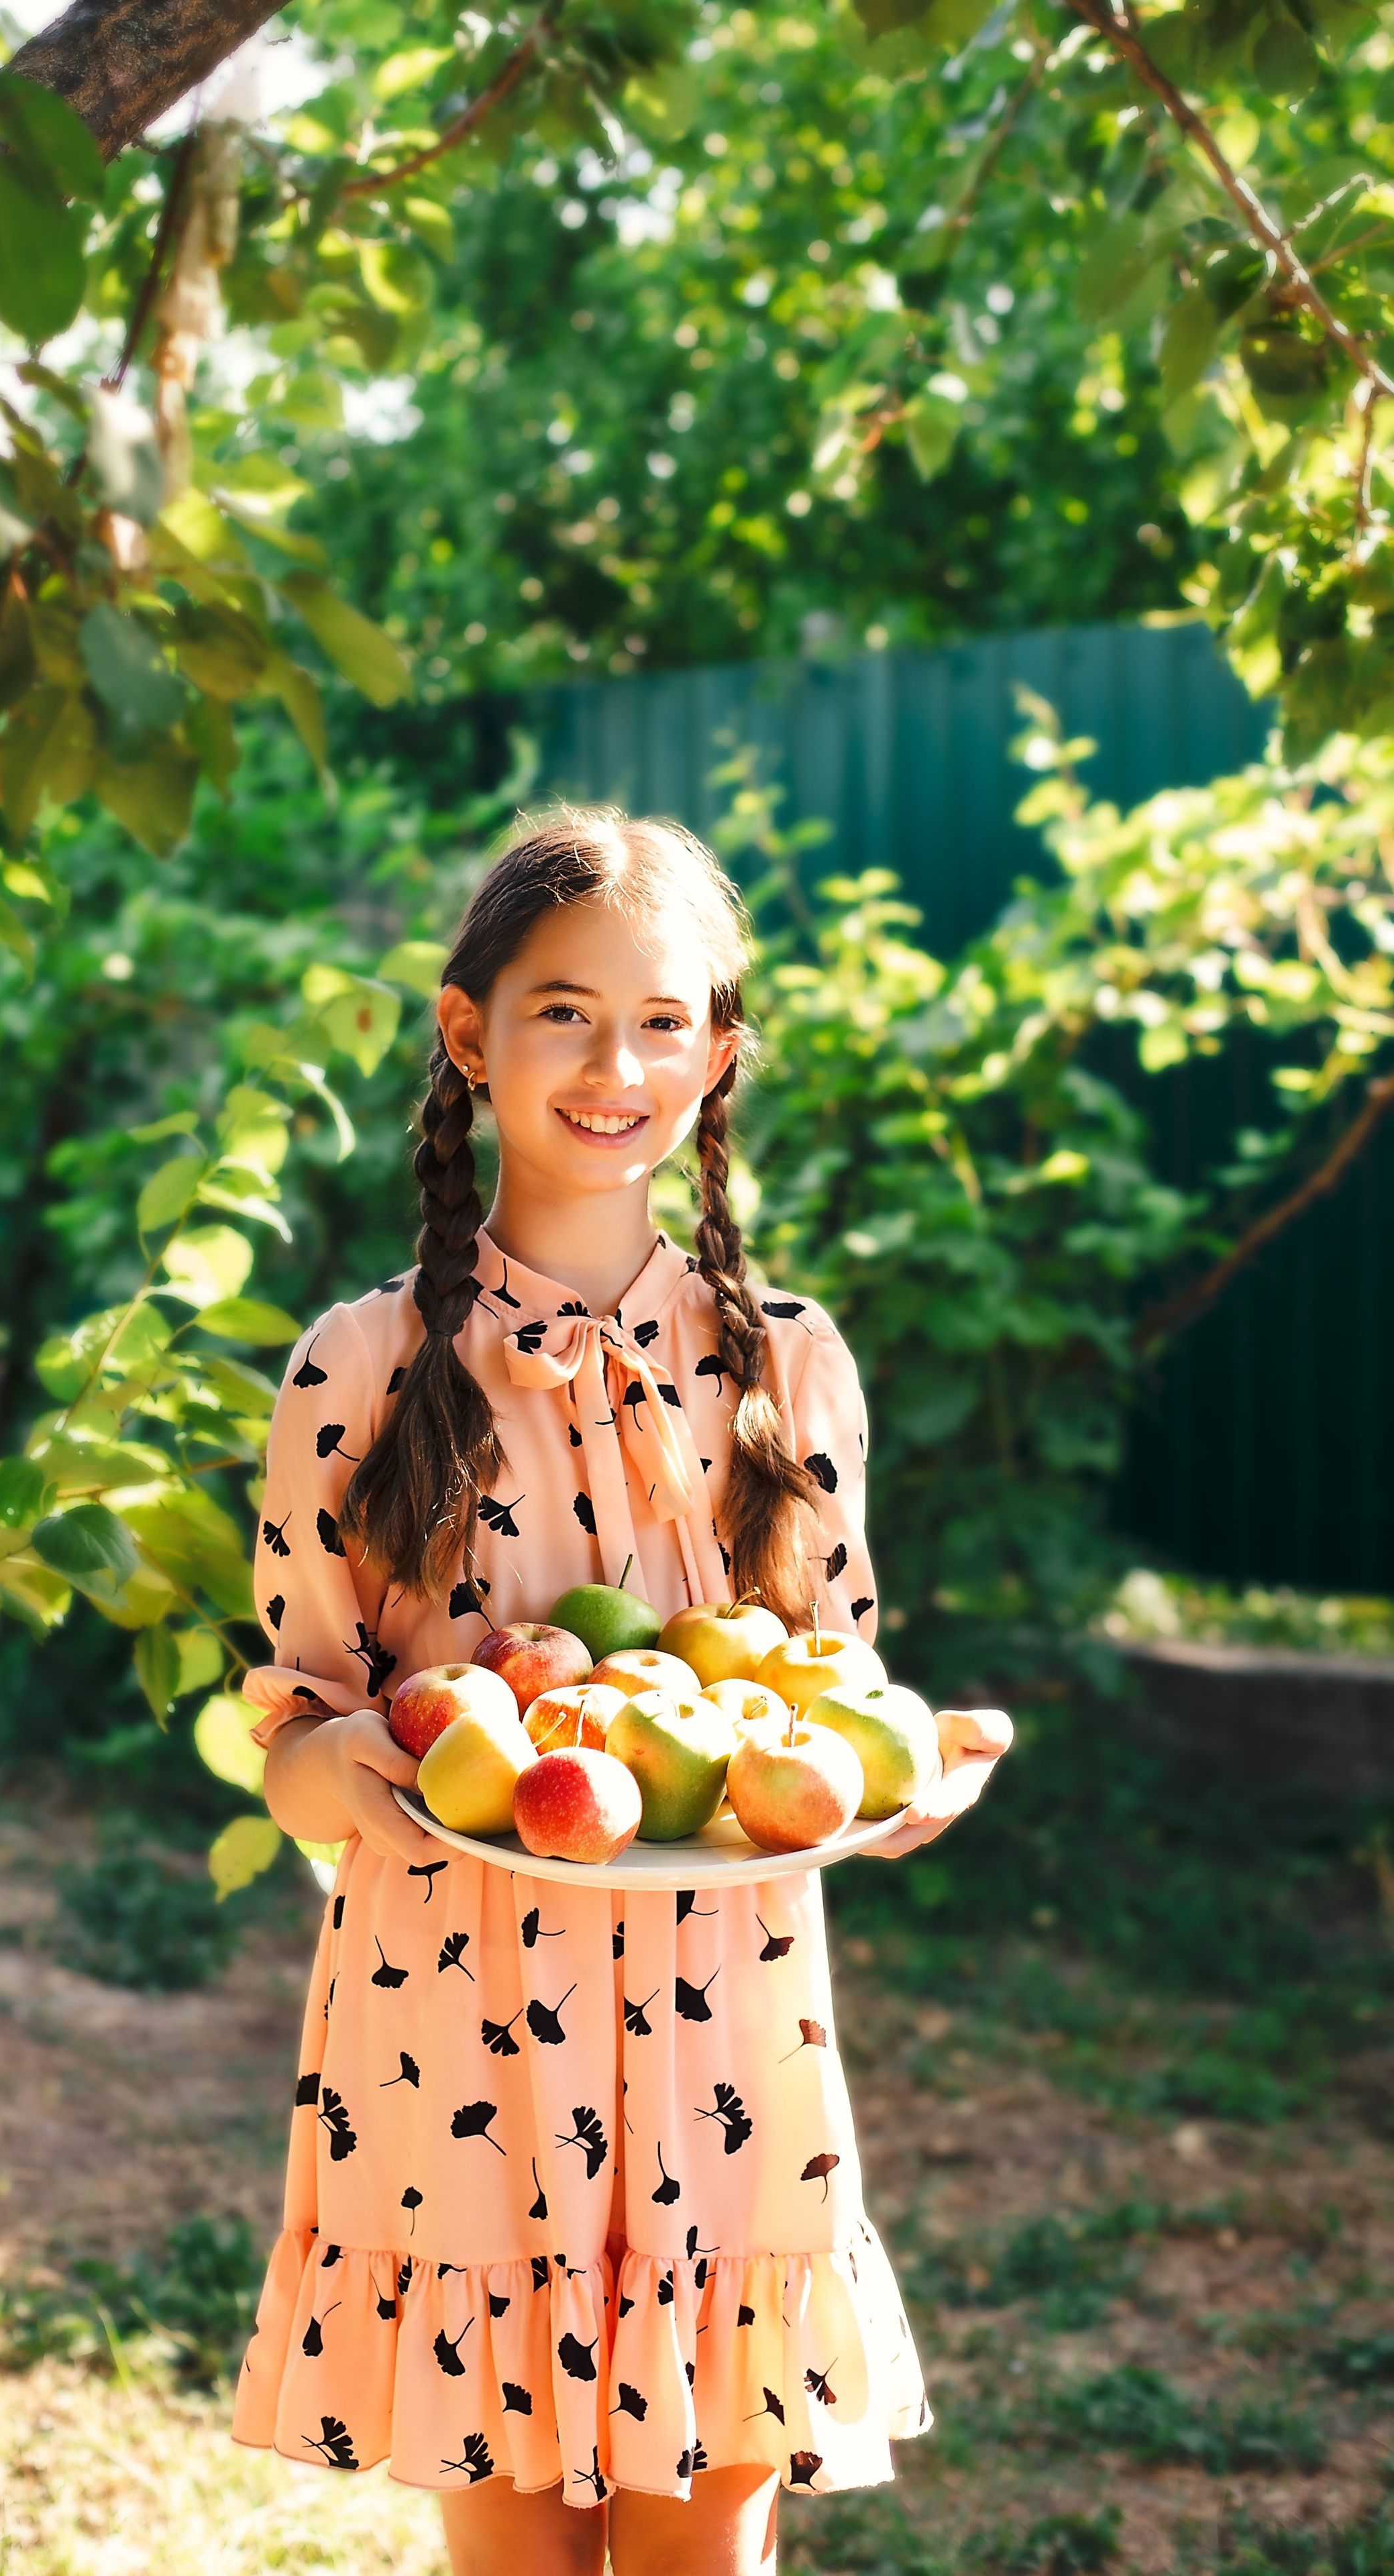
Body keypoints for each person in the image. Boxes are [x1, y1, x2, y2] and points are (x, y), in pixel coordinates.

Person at [233, 809, 1013, 2575]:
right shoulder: (362, 1366)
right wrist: (347, 1768)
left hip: (719, 2017)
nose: (616, 1066)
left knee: (702, 2552)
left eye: (663, 1021)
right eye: (565, 1014)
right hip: (455, 2024)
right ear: (469, 1032)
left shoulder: (788, 1366)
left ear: (718, 1056)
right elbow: (292, 1731)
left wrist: (908, 1767)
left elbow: (825, 1689)